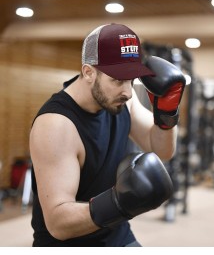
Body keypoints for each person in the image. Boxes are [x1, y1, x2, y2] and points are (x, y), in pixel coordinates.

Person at [29, 23, 186, 247]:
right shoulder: (56, 125)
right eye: (117, 80)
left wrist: (167, 114)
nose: (128, 92)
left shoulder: (123, 103)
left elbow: (161, 150)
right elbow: (58, 224)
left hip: (117, 234)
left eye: (131, 80)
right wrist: (119, 202)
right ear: (88, 72)